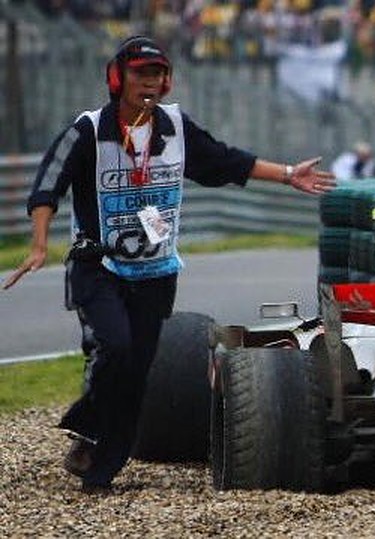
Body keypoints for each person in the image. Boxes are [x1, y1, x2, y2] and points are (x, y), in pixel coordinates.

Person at [1, 36, 336, 492]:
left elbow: (224, 161)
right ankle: (91, 426)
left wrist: (288, 174)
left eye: (157, 74)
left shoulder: (176, 128)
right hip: (97, 266)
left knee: (138, 370)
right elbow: (48, 184)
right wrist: (40, 245)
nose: (150, 82)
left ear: (167, 81)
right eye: (140, 73)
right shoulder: (87, 130)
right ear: (118, 78)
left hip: (156, 272)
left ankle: (100, 467)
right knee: (115, 346)